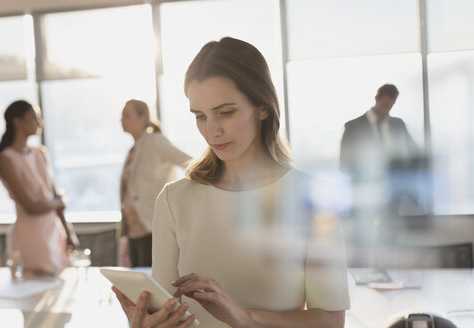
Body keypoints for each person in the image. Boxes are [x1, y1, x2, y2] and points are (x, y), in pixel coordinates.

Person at [112, 37, 350, 328]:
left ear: (262, 107)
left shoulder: (313, 198)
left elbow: (330, 320)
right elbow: (167, 313)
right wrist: (146, 324)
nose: (213, 131)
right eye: (200, 116)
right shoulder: (174, 200)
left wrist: (243, 316)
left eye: (225, 112)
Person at [0, 100, 78, 275]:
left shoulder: (40, 153)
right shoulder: (6, 159)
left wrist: (69, 233)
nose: (39, 123)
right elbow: (31, 206)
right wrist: (58, 202)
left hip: (55, 233)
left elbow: (54, 195)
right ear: (17, 122)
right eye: (33, 118)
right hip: (32, 237)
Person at [119, 99, 191, 267]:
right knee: (138, 283)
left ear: (143, 117)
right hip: (133, 231)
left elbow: (191, 164)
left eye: (126, 115)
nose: (121, 120)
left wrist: (182, 203)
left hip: (152, 227)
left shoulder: (155, 141)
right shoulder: (134, 150)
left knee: (152, 285)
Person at [340, 84, 418, 177]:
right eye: (385, 105)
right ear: (377, 98)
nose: (387, 110)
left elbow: (415, 153)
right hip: (366, 184)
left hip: (397, 182)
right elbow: (345, 164)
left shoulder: (398, 124)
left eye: (391, 106)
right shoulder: (353, 127)